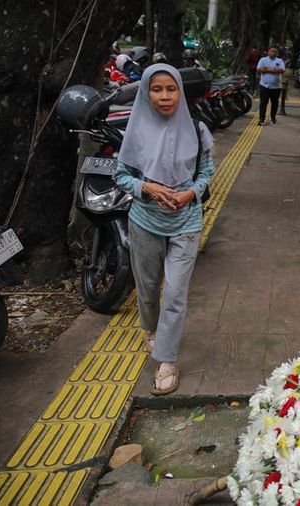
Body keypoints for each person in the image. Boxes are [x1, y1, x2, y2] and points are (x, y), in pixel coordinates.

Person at [113, 64, 215, 396]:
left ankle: (167, 360)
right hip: (145, 221)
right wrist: (149, 189)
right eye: (157, 89)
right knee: (147, 290)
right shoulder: (136, 129)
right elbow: (121, 175)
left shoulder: (197, 128)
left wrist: (191, 193)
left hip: (186, 221)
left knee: (174, 293)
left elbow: (207, 171)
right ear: (146, 92)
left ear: (180, 92)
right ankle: (149, 327)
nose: (165, 96)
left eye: (171, 89)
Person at [256, 45, 285, 125]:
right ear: (268, 52)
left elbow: (281, 70)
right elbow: (259, 69)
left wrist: (266, 69)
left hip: (276, 87)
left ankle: (273, 117)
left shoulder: (279, 61)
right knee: (263, 103)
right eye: (272, 51)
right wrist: (272, 70)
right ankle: (261, 119)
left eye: (275, 51)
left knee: (274, 103)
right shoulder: (263, 60)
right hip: (264, 85)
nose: (274, 53)